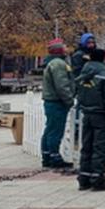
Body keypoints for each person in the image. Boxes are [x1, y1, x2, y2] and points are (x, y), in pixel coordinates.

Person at [75, 47, 105, 191]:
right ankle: (97, 178)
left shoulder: (83, 74)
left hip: (87, 113)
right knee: (100, 148)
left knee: (86, 147)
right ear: (102, 58)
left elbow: (78, 93)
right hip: (101, 115)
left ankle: (84, 178)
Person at [41, 38, 75, 169]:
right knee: (56, 130)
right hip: (57, 102)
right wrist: (69, 100)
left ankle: (47, 155)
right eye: (64, 46)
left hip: (51, 101)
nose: (66, 48)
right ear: (59, 49)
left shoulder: (53, 63)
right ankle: (54, 157)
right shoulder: (59, 64)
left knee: (49, 129)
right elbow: (62, 85)